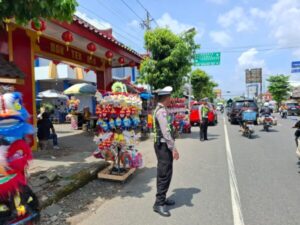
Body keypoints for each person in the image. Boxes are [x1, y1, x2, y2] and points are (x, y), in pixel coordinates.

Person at [153, 86, 179, 217]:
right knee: (164, 174)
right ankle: (159, 203)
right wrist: (173, 148)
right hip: (163, 146)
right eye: (170, 97)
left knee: (166, 173)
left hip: (162, 146)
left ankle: (162, 198)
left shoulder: (162, 109)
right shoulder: (161, 111)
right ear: (166, 98)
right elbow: (166, 132)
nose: (171, 99)